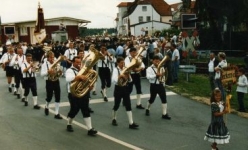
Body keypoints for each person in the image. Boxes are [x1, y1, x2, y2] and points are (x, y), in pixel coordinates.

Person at [65, 56, 97, 136]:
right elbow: (68, 79)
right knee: (74, 110)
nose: (79, 64)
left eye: (80, 62)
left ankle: (90, 129)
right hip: (73, 94)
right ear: (73, 62)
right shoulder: (70, 70)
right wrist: (78, 77)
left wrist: (90, 86)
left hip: (83, 93)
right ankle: (69, 123)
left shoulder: (84, 70)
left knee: (85, 109)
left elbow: (88, 80)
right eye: (77, 62)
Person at [111, 57, 139, 129]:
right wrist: (120, 76)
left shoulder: (126, 70)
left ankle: (131, 123)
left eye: (123, 63)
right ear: (118, 63)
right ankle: (114, 118)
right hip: (118, 89)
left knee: (128, 105)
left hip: (125, 88)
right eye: (121, 63)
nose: (122, 64)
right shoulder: (115, 70)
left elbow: (130, 81)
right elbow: (113, 80)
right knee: (116, 105)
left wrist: (128, 76)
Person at [145, 55, 171, 120]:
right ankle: (147, 108)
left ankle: (164, 114)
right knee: (152, 99)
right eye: (155, 60)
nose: (157, 62)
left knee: (164, 99)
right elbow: (148, 77)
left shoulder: (162, 67)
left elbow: (163, 77)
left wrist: (163, 83)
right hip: (154, 85)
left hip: (161, 85)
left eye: (158, 60)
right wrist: (155, 75)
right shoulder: (149, 68)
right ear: (153, 61)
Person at [40, 51, 63, 119]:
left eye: (53, 57)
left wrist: (60, 73)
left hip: (56, 80)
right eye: (50, 57)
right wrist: (48, 72)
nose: (52, 59)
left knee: (58, 96)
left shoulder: (57, 63)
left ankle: (56, 113)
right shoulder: (45, 64)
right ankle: (47, 106)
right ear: (47, 58)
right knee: (49, 96)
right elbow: (41, 74)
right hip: (49, 81)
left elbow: (59, 73)